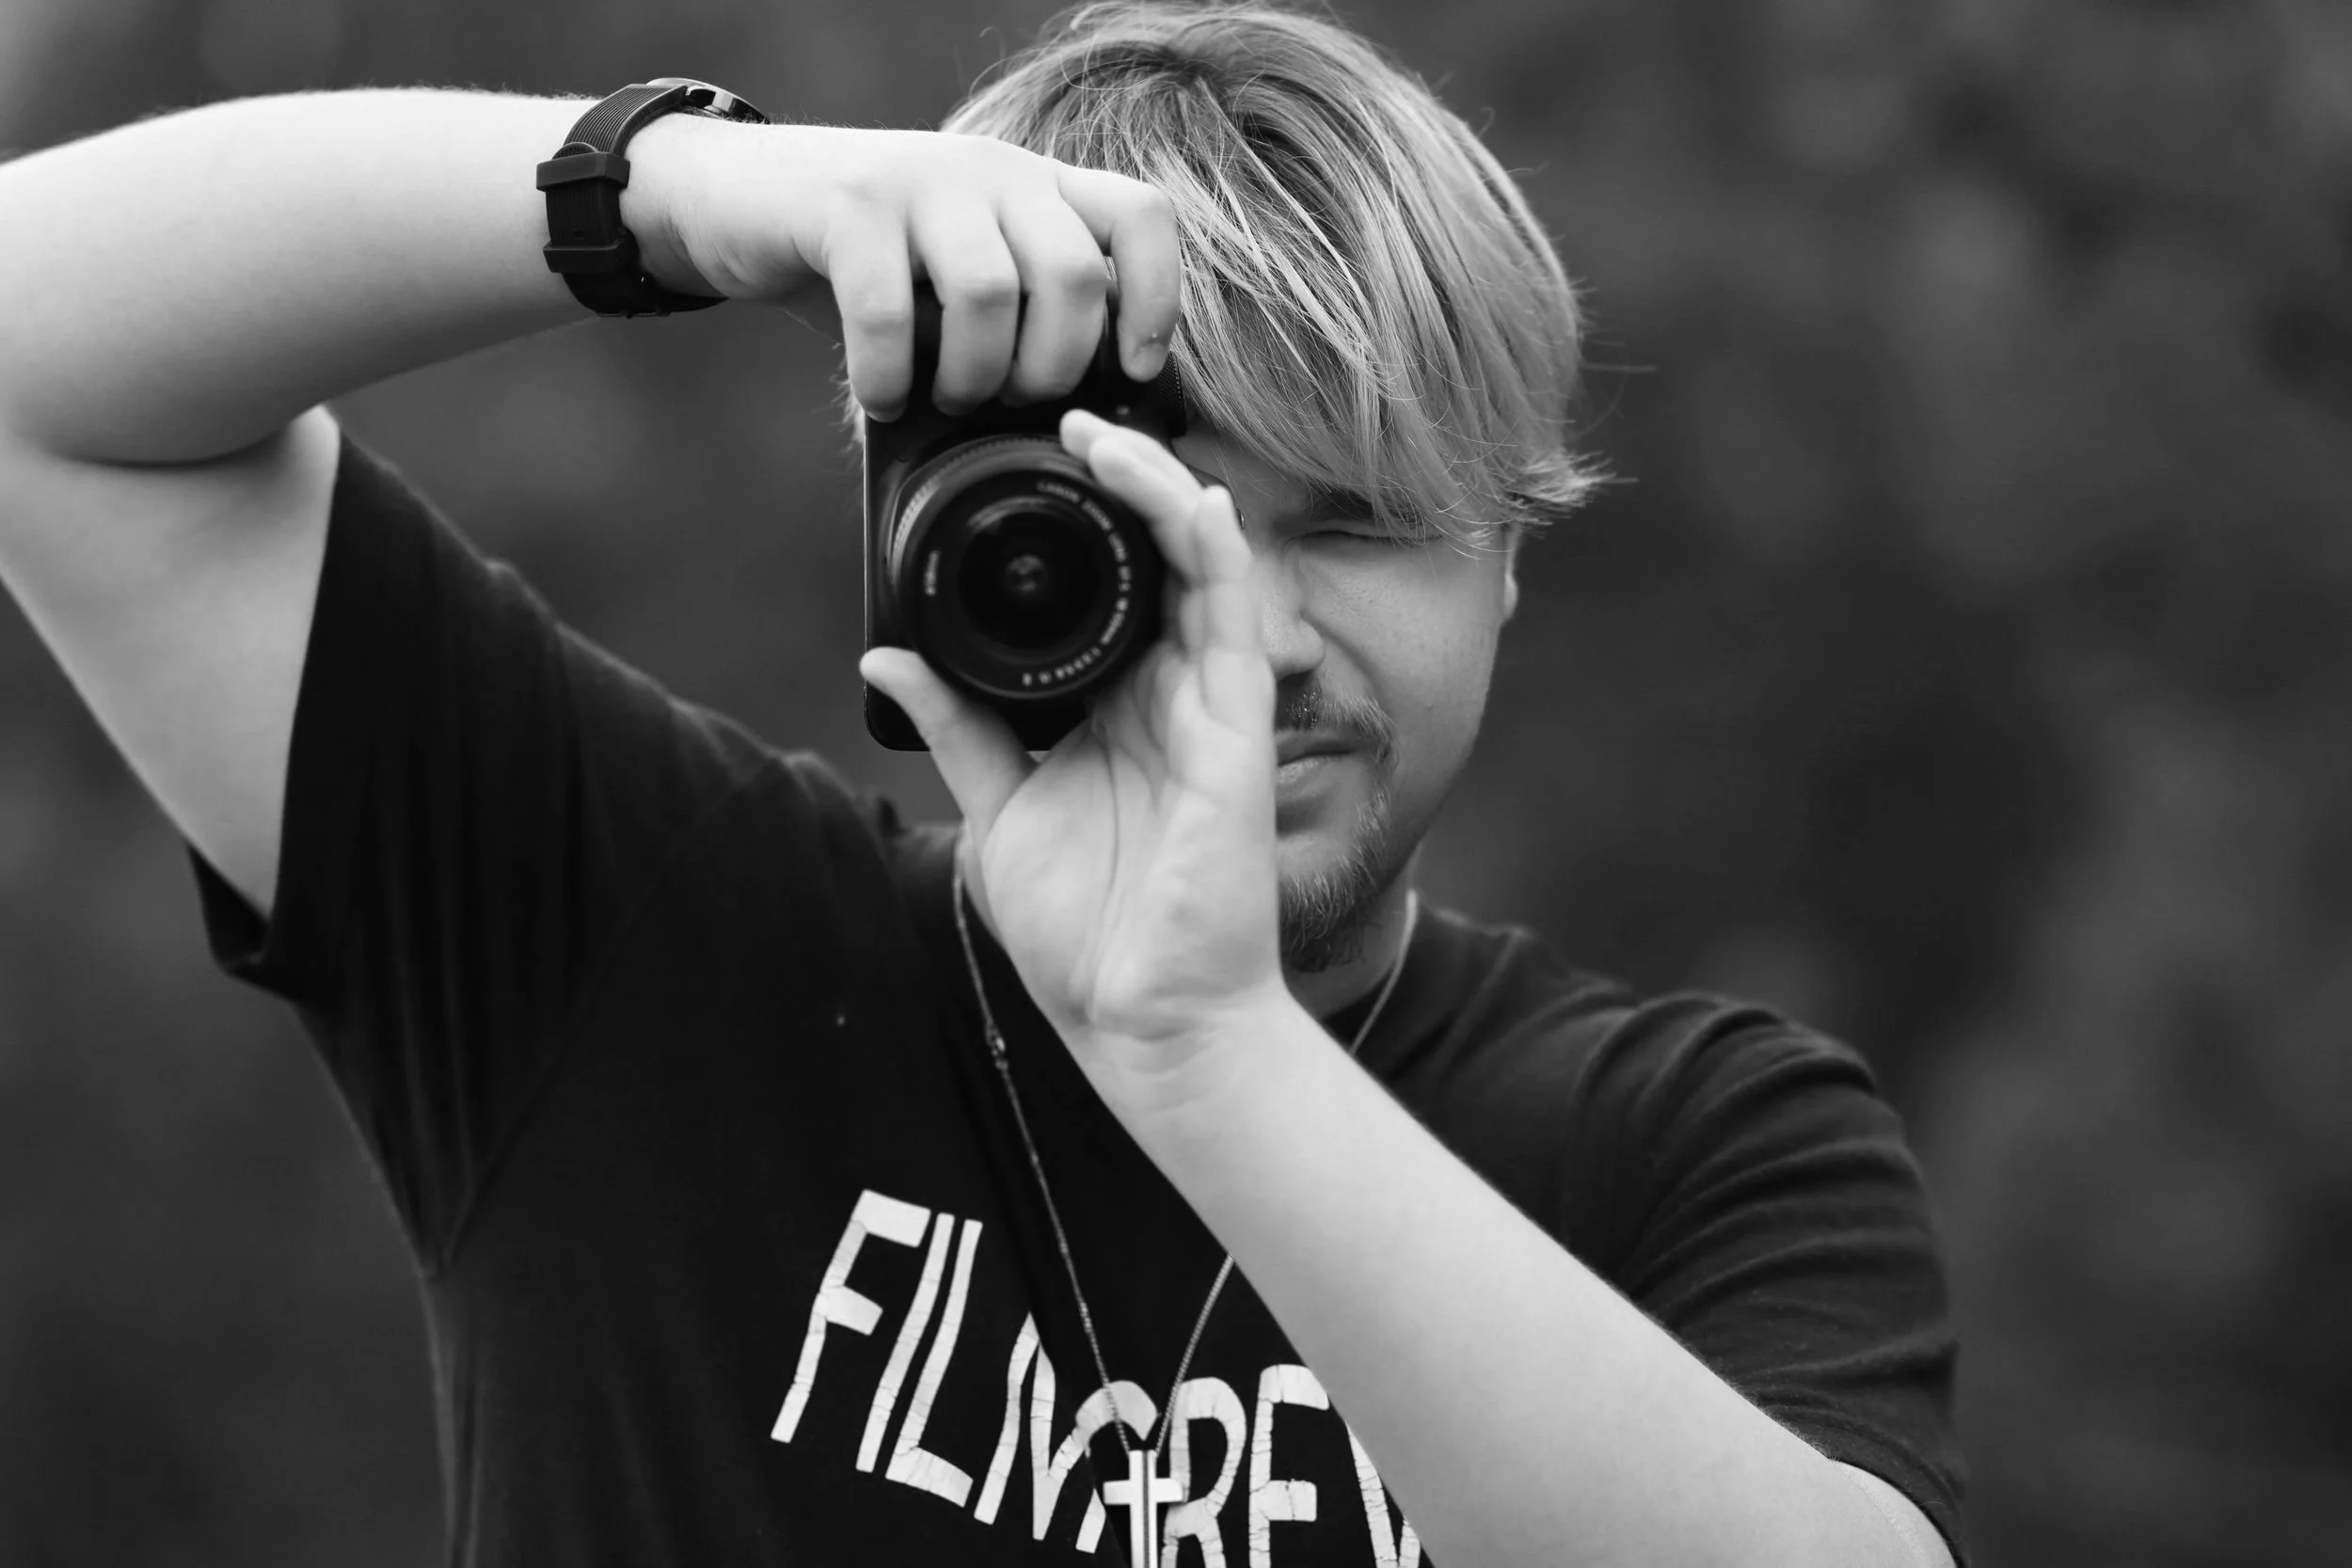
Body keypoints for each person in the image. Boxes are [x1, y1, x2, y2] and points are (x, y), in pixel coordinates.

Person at [0, 3, 1968, 1563]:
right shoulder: (646, 949)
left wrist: (1200, 1042)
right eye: (1152, 506)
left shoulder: (1694, 1144)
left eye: (1355, 524)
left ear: (1510, 551)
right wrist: (689, 190)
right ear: (932, 525)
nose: (1249, 630)